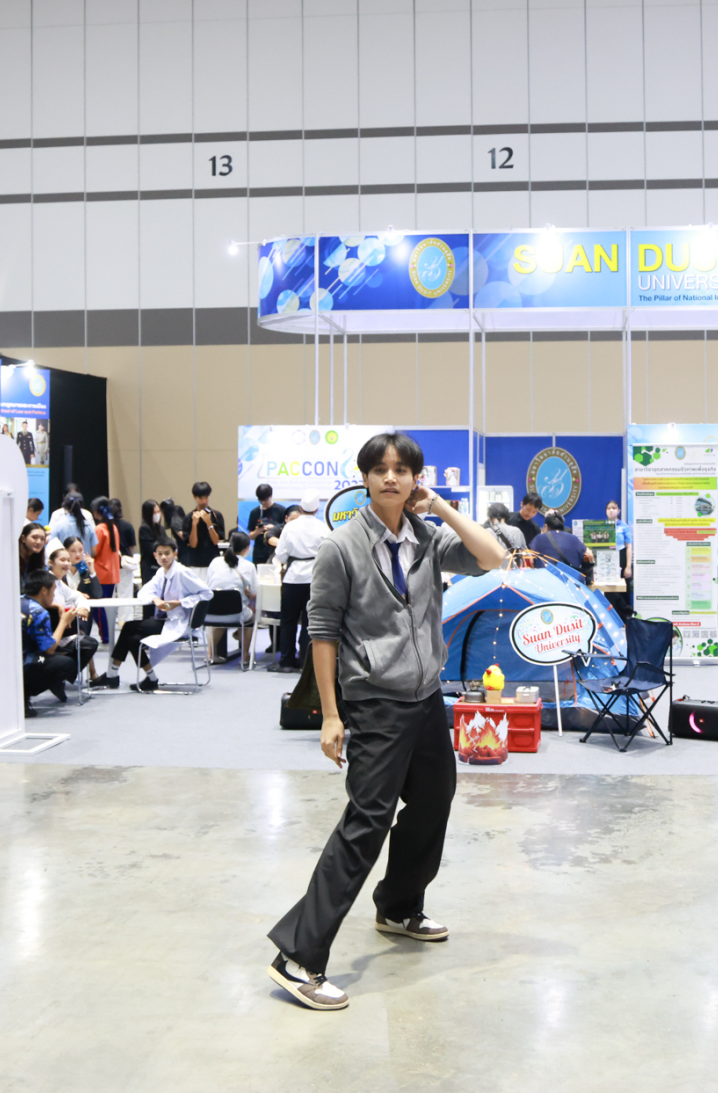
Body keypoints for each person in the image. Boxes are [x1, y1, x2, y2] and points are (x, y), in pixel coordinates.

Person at [266, 431, 507, 1012]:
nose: (392, 478)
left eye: (402, 469)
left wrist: (441, 506)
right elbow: (322, 632)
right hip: (375, 702)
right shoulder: (341, 546)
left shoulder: (427, 536)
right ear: (365, 478)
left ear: (415, 478)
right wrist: (330, 714)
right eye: (381, 469)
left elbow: (493, 556)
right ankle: (297, 956)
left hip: (426, 697)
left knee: (434, 800)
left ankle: (398, 906)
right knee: (366, 822)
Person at [98, 536, 210, 691]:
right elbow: (143, 592)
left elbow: (207, 594)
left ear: (175, 554)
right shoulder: (160, 573)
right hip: (165, 620)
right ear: (155, 555)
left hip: (178, 622)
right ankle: (151, 678)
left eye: (167, 553)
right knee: (132, 639)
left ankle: (112, 675)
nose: (163, 557)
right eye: (160, 554)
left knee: (129, 627)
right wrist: (155, 599)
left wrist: (180, 602)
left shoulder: (182, 572)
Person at [271, 495, 331, 673]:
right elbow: (329, 554)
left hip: (292, 578)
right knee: (309, 621)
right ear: (317, 509)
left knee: (288, 620)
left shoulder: (290, 527)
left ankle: (286, 661)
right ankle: (305, 660)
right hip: (315, 578)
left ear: (300, 508)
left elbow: (281, 554)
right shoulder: (323, 528)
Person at [20, 570, 77, 714]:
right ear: (44, 591)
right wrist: (64, 621)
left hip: (2, 662)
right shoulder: (39, 612)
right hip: (24, 662)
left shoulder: (19, 601)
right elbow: (50, 649)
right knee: (66, 663)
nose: (54, 595)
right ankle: (24, 694)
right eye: (53, 591)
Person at [45, 546, 102, 684]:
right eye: (62, 560)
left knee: (86, 639)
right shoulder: (46, 581)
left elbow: (79, 596)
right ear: (51, 562)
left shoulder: (60, 581)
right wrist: (71, 610)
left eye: (68, 560)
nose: (66, 563)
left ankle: (60, 677)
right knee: (87, 643)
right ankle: (57, 676)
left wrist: (83, 608)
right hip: (51, 631)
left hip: (65, 627)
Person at [206, 530, 257, 663]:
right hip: (237, 614)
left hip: (211, 613)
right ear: (246, 548)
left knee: (221, 618)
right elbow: (254, 592)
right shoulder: (249, 566)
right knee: (251, 617)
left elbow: (209, 584)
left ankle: (210, 654)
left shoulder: (215, 561)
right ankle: (245, 655)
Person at [90, 496, 124, 643]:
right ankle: (108, 634)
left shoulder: (99, 529)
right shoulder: (113, 527)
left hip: (101, 573)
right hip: (112, 573)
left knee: (98, 608)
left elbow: (94, 551)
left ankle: (106, 636)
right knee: (105, 606)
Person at [179, 480, 226, 574]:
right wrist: (194, 525)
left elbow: (216, 541)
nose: (204, 501)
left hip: (213, 563)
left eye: (206, 497)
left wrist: (209, 523)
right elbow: (193, 544)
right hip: (195, 563)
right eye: (200, 498)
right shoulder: (188, 518)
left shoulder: (217, 515)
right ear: (194, 497)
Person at [246, 482, 288, 565]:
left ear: (270, 496)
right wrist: (257, 531)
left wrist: (274, 528)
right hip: (259, 553)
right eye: (260, 500)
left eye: (265, 500)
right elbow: (251, 536)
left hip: (276, 552)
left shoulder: (281, 510)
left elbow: (287, 531)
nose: (263, 502)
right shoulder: (255, 512)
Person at [139, 499, 163, 584]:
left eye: (159, 511)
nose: (157, 514)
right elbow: (150, 549)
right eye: (154, 512)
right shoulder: (144, 528)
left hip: (160, 566)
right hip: (150, 568)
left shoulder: (160, 528)